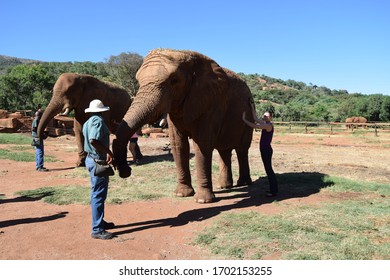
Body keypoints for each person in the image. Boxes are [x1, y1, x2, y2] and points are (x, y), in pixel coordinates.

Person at [82, 99, 115, 240]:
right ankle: (97, 229)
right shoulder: (98, 121)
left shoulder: (87, 122)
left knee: (96, 193)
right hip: (97, 160)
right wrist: (108, 151)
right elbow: (93, 140)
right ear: (103, 111)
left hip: (91, 159)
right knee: (98, 194)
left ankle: (99, 221)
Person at [242, 104, 278, 197]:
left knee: (269, 170)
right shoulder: (264, 123)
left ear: (271, 117)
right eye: (264, 116)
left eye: (267, 116)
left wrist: (244, 120)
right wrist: (252, 107)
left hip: (266, 150)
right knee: (268, 169)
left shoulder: (268, 126)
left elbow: (255, 126)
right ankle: (273, 189)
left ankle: (273, 191)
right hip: (264, 149)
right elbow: (255, 118)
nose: (265, 117)